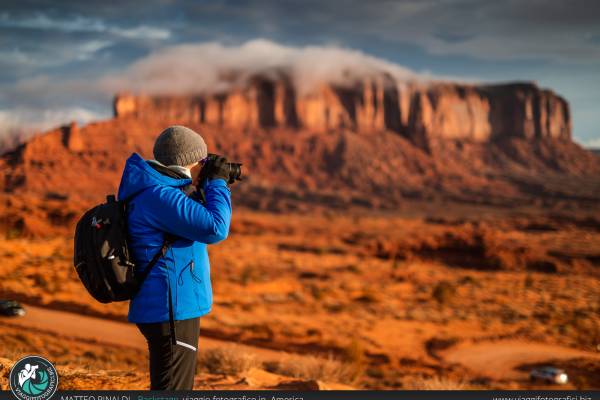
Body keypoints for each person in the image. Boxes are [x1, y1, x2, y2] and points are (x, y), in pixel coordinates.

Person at [117, 125, 232, 390]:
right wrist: (217, 183)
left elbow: (191, 218)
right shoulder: (160, 196)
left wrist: (206, 186)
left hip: (167, 306)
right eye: (202, 160)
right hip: (172, 309)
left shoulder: (156, 190)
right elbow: (215, 228)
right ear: (189, 159)